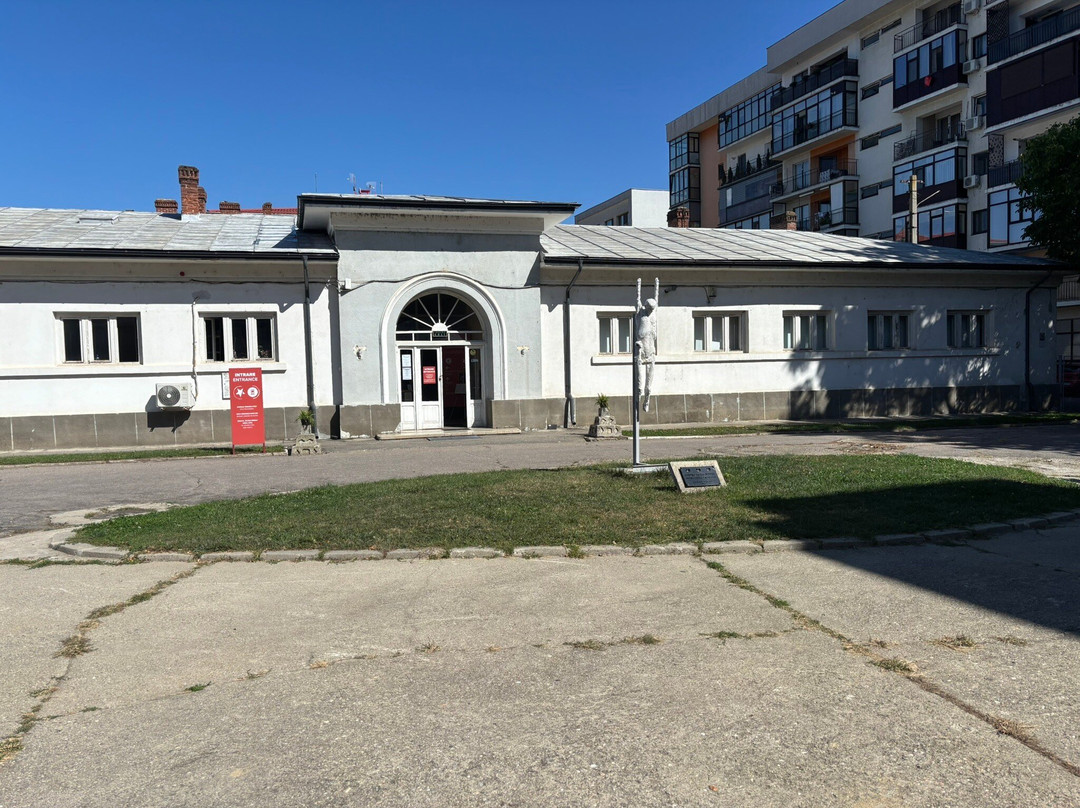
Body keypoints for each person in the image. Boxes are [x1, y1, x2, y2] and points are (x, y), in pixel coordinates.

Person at [635, 295, 657, 412]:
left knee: (648, 387)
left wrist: (657, 285)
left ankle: (647, 401)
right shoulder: (641, 314)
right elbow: (637, 301)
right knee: (639, 386)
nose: (650, 311)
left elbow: (656, 300)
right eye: (649, 309)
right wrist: (638, 288)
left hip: (651, 354)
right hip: (641, 353)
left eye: (652, 310)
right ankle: (637, 402)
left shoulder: (653, 317)